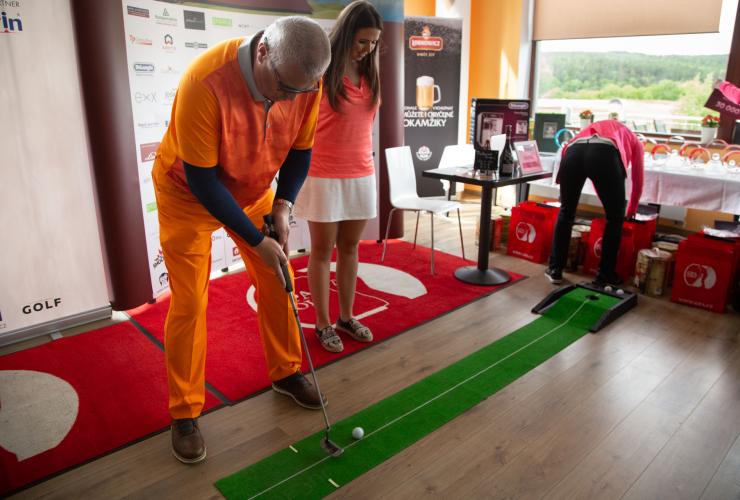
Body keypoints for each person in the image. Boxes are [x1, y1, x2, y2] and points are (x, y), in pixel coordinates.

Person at [151, 17, 330, 464]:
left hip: (252, 190)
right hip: (187, 193)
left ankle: (286, 372)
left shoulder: (305, 80)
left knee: (278, 276)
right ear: (263, 52)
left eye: (302, 91)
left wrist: (283, 205)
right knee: (190, 302)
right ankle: (184, 412)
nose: (291, 99)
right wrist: (255, 239)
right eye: (285, 88)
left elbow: (301, 150)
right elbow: (203, 181)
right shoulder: (205, 82)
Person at [294, 1, 382, 353]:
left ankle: (346, 317)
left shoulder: (371, 72)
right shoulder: (321, 72)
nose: (368, 49)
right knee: (322, 251)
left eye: (373, 42)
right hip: (323, 175)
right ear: (346, 34)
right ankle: (322, 323)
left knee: (350, 248)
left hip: (361, 173)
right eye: (362, 41)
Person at [544, 119, 644, 287]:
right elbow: (638, 177)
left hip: (573, 151)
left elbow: (568, 147)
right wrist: (632, 207)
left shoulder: (594, 127)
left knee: (566, 212)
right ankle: (605, 275)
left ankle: (555, 269)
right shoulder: (635, 139)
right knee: (615, 218)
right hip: (604, 154)